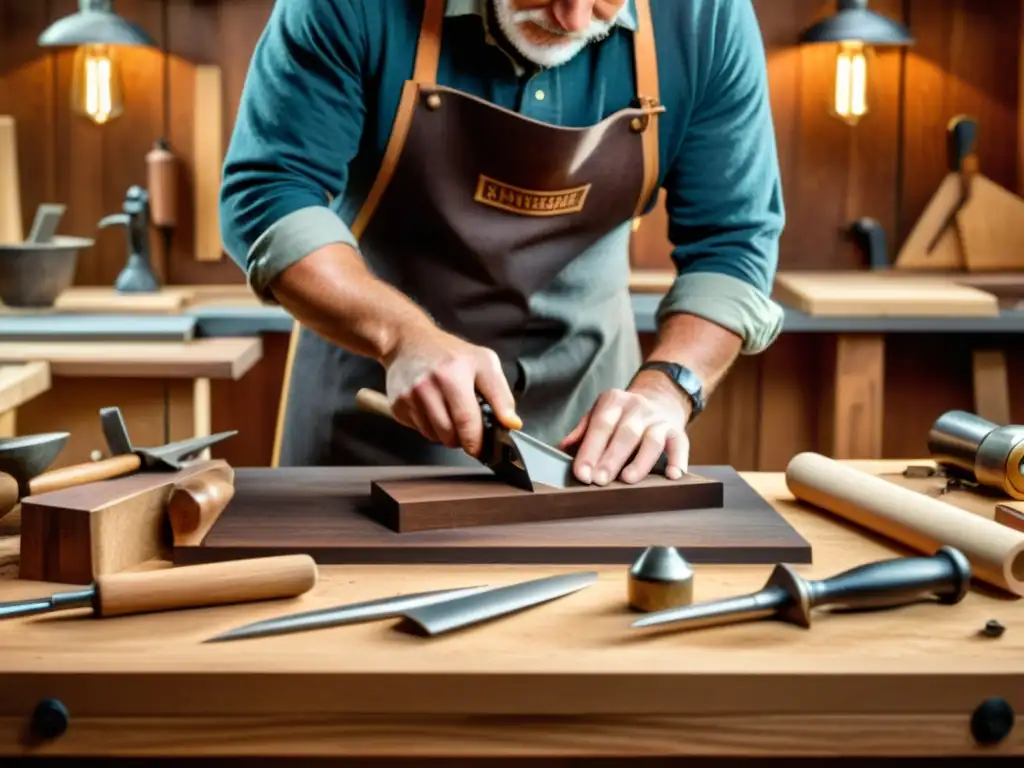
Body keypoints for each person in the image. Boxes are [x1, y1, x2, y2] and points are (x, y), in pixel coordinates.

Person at [219, 0, 785, 486]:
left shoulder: (706, 15)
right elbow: (271, 193)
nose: (572, 17)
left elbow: (733, 241)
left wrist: (669, 388)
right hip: (376, 420)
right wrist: (401, 336)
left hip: (590, 448)